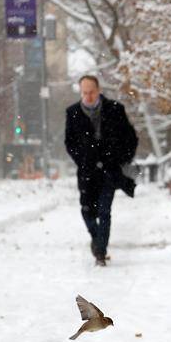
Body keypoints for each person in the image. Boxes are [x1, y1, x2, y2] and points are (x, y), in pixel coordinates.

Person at [64, 75, 138, 266]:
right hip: (87, 172)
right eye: (84, 92)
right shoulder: (72, 113)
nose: (88, 96)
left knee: (104, 211)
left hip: (109, 170)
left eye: (91, 92)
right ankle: (96, 238)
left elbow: (130, 138)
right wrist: (82, 159)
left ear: (98, 90)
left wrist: (120, 159)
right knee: (87, 210)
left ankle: (100, 251)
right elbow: (69, 143)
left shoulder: (115, 110)